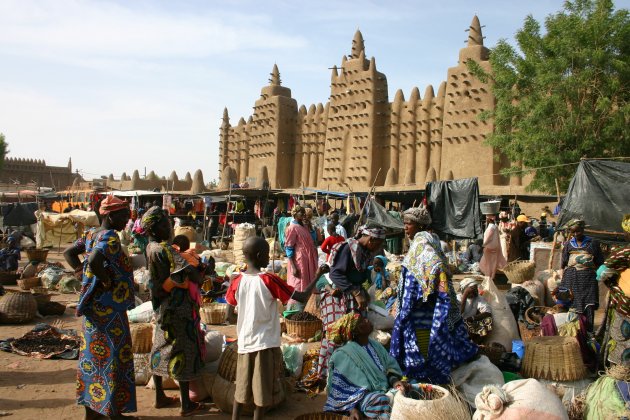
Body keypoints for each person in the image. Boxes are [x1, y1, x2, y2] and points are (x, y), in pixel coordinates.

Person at [227, 237, 326, 420]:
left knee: (241, 389)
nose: (269, 258)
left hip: (245, 342)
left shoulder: (236, 280)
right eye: (267, 254)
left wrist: (248, 320)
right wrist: (318, 274)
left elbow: (229, 316)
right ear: (258, 256)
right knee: (262, 392)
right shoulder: (269, 279)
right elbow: (302, 297)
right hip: (264, 343)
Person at [63, 195, 137, 420]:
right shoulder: (110, 237)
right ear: (110, 215)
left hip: (93, 311)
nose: (127, 220)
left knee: (92, 360)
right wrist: (105, 281)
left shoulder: (90, 234)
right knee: (113, 359)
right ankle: (114, 414)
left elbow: (69, 253)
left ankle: (93, 414)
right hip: (110, 311)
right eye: (124, 216)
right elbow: (95, 259)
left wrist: (80, 273)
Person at [390, 206, 477, 383]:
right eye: (405, 223)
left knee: (419, 339)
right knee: (427, 338)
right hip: (425, 302)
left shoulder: (422, 242)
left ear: (420, 225)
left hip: (419, 303)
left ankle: (423, 377)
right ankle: (429, 374)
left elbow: (435, 264)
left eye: (409, 224)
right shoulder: (431, 239)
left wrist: (433, 281)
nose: (405, 227)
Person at [142, 206, 207, 417]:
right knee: (183, 350)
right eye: (165, 224)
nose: (169, 228)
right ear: (154, 227)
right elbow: (186, 276)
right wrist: (202, 271)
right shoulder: (165, 250)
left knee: (160, 346)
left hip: (161, 306)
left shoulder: (150, 247)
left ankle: (159, 396)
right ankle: (186, 404)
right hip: (178, 308)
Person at [316, 226, 386, 381]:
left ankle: (347, 374)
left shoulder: (364, 251)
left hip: (352, 294)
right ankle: (331, 376)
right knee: (336, 336)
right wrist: (355, 292)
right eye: (378, 243)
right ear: (371, 239)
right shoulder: (348, 248)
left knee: (353, 336)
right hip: (337, 297)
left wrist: (362, 292)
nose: (378, 248)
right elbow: (335, 274)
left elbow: (357, 276)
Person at [324, 313, 409, 420]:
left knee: (411, 388)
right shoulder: (344, 354)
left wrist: (395, 381)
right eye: (362, 321)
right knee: (381, 400)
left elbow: (389, 366)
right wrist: (352, 409)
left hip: (385, 388)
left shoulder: (375, 345)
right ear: (356, 331)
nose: (367, 320)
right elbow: (340, 390)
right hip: (361, 398)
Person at [560, 219, 603, 331]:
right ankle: (572, 332)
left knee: (588, 305)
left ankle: (587, 333)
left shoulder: (593, 243)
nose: (575, 234)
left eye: (578, 231)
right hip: (571, 279)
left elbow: (599, 262)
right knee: (571, 304)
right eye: (573, 232)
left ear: (583, 230)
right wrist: (561, 277)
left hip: (588, 280)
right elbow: (564, 262)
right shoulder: (568, 244)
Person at [285, 205, 319, 311]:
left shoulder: (304, 226)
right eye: (301, 212)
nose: (303, 214)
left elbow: (313, 239)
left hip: (309, 259)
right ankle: (296, 308)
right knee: (299, 282)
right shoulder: (292, 228)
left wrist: (311, 228)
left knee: (310, 281)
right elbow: (289, 247)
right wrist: (294, 267)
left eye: (304, 212)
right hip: (300, 261)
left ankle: (308, 307)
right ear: (295, 215)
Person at [457, 277, 493, 344]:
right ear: (464, 290)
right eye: (472, 290)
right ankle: (463, 343)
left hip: (471, 322)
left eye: (476, 288)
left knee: (488, 320)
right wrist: (465, 294)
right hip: (459, 324)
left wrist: (472, 318)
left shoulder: (478, 298)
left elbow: (488, 312)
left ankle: (475, 344)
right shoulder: (458, 298)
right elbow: (459, 313)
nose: (475, 291)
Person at [479, 215, 507, 280]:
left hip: (489, 248)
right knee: (493, 263)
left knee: (488, 264)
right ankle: (492, 276)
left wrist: (483, 245)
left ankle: (489, 277)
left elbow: (489, 238)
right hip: (494, 248)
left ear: (489, 220)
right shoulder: (495, 227)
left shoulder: (491, 228)